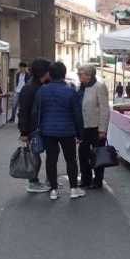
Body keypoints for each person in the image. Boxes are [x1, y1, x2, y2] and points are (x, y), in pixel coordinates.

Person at [33, 62, 84, 200]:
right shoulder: (70, 91)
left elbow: (36, 111)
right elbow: (77, 114)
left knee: (51, 159)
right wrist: (80, 133)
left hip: (48, 131)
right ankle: (74, 188)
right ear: (64, 74)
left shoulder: (42, 90)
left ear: (50, 74)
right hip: (67, 130)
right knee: (71, 159)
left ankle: (54, 190)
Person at [18, 58, 52, 193]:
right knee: (35, 155)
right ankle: (33, 181)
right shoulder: (29, 88)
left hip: (45, 126)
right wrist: (24, 132)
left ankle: (50, 180)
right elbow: (23, 111)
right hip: (33, 128)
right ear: (43, 72)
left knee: (50, 153)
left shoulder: (44, 85)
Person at [77, 65, 111, 189]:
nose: (78, 75)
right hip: (84, 127)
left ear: (89, 75)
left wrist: (102, 128)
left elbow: (104, 109)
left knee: (97, 154)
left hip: (96, 127)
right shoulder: (81, 87)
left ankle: (98, 180)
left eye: (81, 74)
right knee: (83, 153)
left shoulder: (99, 87)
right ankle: (85, 178)